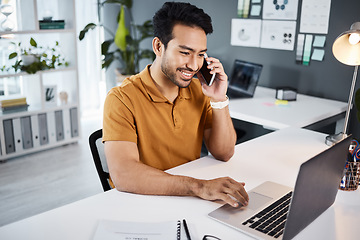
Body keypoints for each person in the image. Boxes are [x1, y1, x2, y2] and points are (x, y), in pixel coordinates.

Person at [103, 2, 249, 208]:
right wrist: (199, 187)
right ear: (158, 46)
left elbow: (224, 153)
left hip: (188, 200)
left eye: (200, 54)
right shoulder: (121, 98)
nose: (194, 65)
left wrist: (219, 100)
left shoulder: (199, 90)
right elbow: (124, 174)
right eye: (185, 52)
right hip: (142, 202)